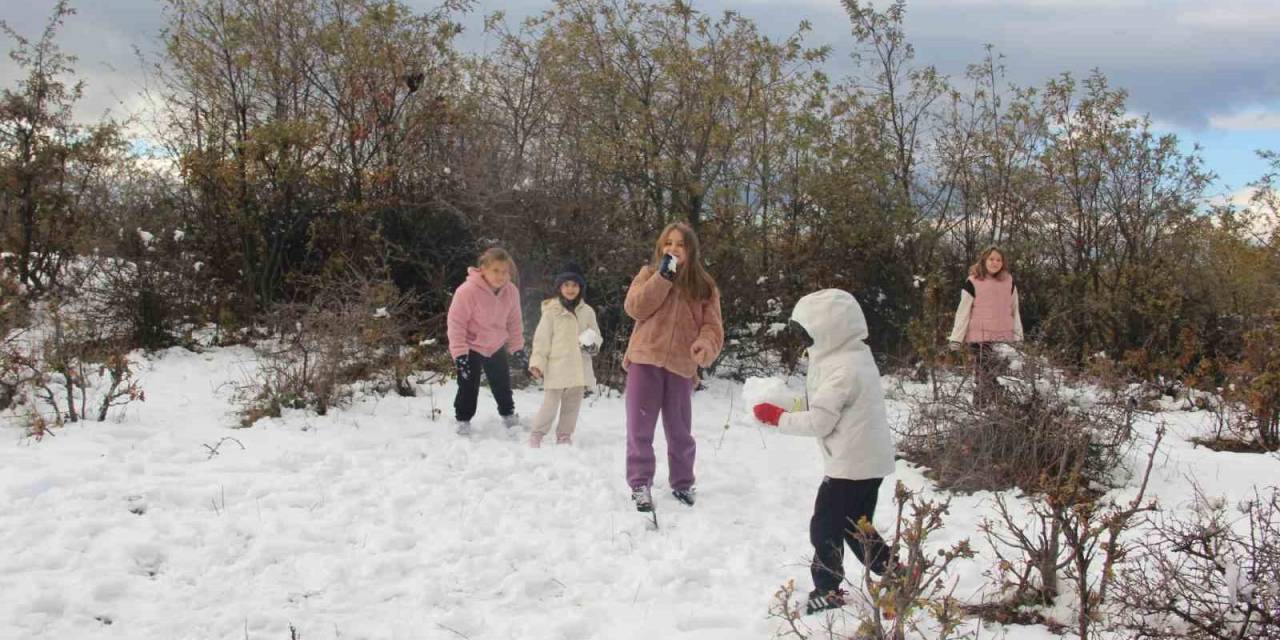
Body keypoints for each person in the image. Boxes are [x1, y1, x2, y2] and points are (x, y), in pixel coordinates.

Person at [752, 289, 896, 615]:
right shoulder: (851, 356)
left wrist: (779, 418)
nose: (805, 341)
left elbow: (820, 421)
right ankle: (896, 572)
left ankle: (827, 589)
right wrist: (785, 403)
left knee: (825, 526)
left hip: (851, 464)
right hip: (866, 461)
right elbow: (824, 404)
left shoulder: (842, 368)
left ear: (828, 328)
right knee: (856, 526)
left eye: (808, 333)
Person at [623, 222, 723, 511]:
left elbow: (712, 327)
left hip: (681, 364)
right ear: (661, 247)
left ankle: (682, 482)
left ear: (691, 250)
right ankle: (640, 483)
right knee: (639, 427)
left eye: (680, 244)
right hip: (645, 358)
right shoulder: (648, 274)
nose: (674, 248)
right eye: (668, 243)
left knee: (680, 430)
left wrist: (705, 345)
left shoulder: (704, 285)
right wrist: (662, 277)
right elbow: (635, 308)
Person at [447, 247, 528, 436]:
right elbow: (456, 324)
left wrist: (517, 348)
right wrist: (460, 355)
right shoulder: (467, 291)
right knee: (468, 385)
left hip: (496, 344)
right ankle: (463, 420)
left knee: (502, 383)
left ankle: (508, 414)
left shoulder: (511, 292)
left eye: (504, 271)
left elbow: (514, 321)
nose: (500, 276)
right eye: (495, 270)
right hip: (471, 346)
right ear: (483, 269)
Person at [527, 262, 602, 447]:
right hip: (557, 368)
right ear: (559, 287)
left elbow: (596, 336)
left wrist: (592, 345)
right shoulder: (551, 311)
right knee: (549, 405)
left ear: (580, 287)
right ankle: (537, 433)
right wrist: (537, 363)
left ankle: (564, 435)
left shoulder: (587, 312)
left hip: (578, 369)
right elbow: (542, 340)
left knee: (572, 407)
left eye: (574, 285)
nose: (570, 289)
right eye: (566, 285)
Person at [947, 245, 1024, 405]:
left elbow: (1015, 310)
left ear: (1003, 263)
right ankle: (980, 409)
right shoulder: (973, 281)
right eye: (991, 259)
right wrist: (956, 338)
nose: (995, 263)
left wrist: (1018, 336)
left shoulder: (1009, 281)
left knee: (1001, 377)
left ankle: (1000, 409)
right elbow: (963, 312)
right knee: (983, 376)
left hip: (1004, 338)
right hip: (980, 338)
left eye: (998, 260)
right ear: (984, 260)